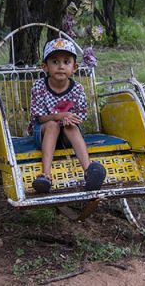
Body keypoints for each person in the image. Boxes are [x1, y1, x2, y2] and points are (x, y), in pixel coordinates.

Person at [28, 38, 106, 194]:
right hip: (43, 133)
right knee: (52, 125)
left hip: (66, 135)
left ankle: (89, 171)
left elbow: (80, 115)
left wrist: (69, 119)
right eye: (55, 62)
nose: (61, 66)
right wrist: (62, 115)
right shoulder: (39, 86)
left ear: (74, 67)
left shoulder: (77, 89)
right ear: (45, 67)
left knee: (71, 126)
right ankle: (46, 175)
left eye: (66, 62)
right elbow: (40, 118)